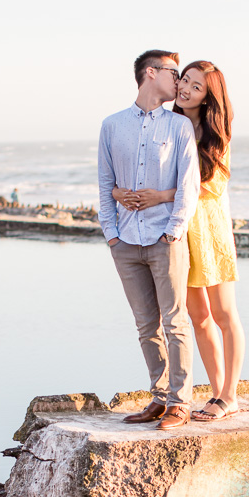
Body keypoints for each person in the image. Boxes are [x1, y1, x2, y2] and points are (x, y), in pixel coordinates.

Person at [114, 61, 245, 421]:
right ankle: (215, 394)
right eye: (184, 80)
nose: (185, 89)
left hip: (209, 231)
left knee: (223, 314)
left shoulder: (218, 132)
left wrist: (160, 196)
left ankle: (229, 394)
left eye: (196, 86)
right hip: (179, 231)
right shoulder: (173, 126)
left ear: (209, 97)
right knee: (198, 317)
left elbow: (211, 186)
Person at [98, 51, 201, 431]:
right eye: (174, 74)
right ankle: (158, 398)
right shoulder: (112, 125)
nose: (179, 83)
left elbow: (190, 185)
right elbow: (105, 185)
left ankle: (180, 402)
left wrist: (173, 230)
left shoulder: (179, 127)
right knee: (146, 326)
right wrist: (111, 235)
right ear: (150, 73)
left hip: (164, 237)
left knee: (175, 322)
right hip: (125, 240)